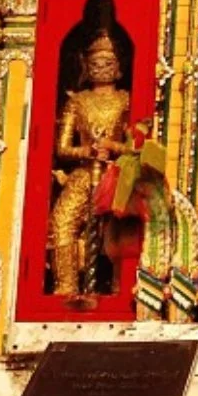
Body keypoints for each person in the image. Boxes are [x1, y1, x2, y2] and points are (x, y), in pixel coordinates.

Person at [48, 30, 131, 296]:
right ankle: (66, 286)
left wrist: (112, 147)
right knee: (61, 223)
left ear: (118, 67)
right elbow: (62, 148)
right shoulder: (77, 101)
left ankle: (119, 288)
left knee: (122, 230)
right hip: (84, 173)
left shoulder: (125, 100)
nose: (101, 69)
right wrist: (87, 150)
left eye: (108, 63)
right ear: (86, 66)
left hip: (116, 174)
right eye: (95, 63)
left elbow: (135, 147)